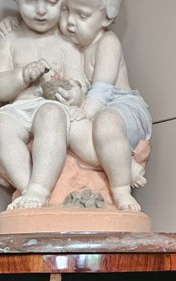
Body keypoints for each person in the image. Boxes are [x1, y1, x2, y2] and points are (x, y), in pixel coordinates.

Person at [0, 0, 87, 209]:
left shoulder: (66, 44)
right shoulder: (10, 41)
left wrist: (72, 93)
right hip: (19, 108)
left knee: (50, 114)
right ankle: (27, 189)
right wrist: (22, 76)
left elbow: (80, 86)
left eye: (51, 2)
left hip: (52, 107)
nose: (41, 10)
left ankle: (40, 189)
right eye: (31, 1)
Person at [60, 0, 152, 211]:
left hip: (121, 107)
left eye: (82, 16)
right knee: (67, 125)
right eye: (66, 10)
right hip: (91, 114)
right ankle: (123, 164)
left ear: (107, 17)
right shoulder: (72, 46)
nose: (70, 22)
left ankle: (121, 190)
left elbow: (102, 91)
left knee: (105, 122)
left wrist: (83, 112)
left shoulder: (107, 42)